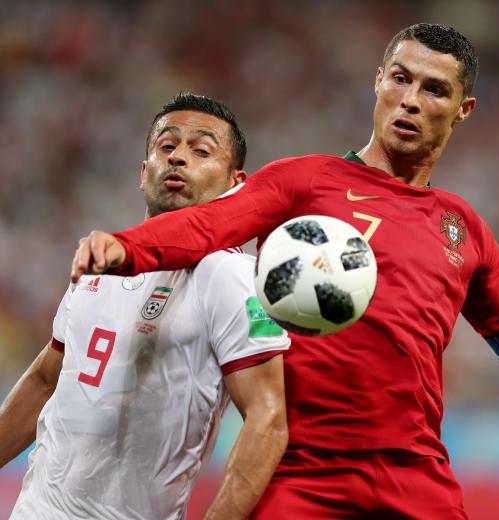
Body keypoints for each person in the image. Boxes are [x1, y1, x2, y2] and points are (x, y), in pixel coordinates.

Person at [70, 25, 499, 517]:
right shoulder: (304, 182)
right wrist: (128, 248)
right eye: (400, 79)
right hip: (301, 478)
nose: (410, 100)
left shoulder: (463, 230)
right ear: (377, 81)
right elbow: (207, 227)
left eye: (433, 89)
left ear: (463, 109)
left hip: (416, 480)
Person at [1, 93, 290, 520]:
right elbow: (45, 381)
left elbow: (268, 421)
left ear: (236, 184)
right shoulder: (102, 264)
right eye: (166, 146)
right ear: (143, 173)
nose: (178, 158)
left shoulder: (230, 276)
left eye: (201, 150)